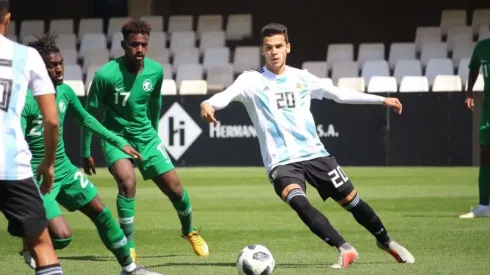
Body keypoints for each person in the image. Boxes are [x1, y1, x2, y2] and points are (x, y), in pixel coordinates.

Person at [200, 23, 415, 269]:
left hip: (316, 155)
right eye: (269, 47)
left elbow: (339, 94)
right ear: (262, 49)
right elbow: (223, 96)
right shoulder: (250, 80)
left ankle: (385, 241)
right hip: (281, 162)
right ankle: (344, 248)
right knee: (299, 202)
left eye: (279, 46)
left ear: (288, 47)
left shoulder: (301, 77)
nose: (274, 52)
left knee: (352, 202)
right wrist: (208, 103)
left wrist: (381, 99)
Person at [20, 33, 162, 275]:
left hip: (64, 168)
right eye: (51, 66)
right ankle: (30, 245)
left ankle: (130, 269)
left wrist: (119, 142)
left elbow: (87, 119)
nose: (58, 69)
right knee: (63, 237)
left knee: (101, 211)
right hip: (37, 176)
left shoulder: (64, 92)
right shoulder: (25, 100)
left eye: (60, 63)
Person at [81, 18, 209, 259]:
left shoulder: (156, 71)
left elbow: (155, 102)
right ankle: (128, 245)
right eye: (133, 44)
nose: (139, 49)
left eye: (143, 44)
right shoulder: (105, 75)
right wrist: (86, 151)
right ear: (123, 44)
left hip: (147, 138)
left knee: (176, 191)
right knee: (127, 183)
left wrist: (155, 133)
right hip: (115, 137)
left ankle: (189, 231)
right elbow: (89, 115)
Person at [0, 1, 64, 274]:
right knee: (41, 243)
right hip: (11, 165)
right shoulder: (26, 56)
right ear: (8, 17)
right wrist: (48, 163)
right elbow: (51, 120)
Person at [460, 37, 490, 218]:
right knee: (485, 153)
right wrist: (469, 93)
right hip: (488, 110)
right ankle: (484, 206)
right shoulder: (483, 47)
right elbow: (473, 68)